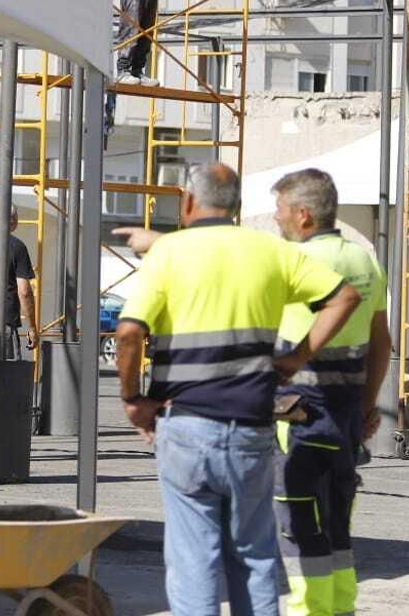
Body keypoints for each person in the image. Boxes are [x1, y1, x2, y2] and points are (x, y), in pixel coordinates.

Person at [112, 163, 361, 616]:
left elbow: (128, 332)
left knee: (194, 560)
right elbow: (344, 297)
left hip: (186, 426)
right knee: (254, 553)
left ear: (188, 202)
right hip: (250, 428)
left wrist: (133, 401)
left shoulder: (169, 255)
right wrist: (296, 357)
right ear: (238, 207)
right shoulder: (270, 252)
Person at [269, 170, 391, 616]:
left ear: (303, 215)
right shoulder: (365, 261)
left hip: (298, 412)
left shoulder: (295, 263)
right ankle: (340, 609)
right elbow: (383, 343)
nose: (276, 218)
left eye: (280, 209)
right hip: (346, 414)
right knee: (337, 519)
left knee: (299, 522)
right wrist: (365, 405)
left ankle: (310, 611)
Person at [0, 200, 38, 358]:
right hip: (4, 323)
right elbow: (24, 291)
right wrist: (32, 328)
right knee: (5, 377)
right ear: (12, 219)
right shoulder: (16, 246)